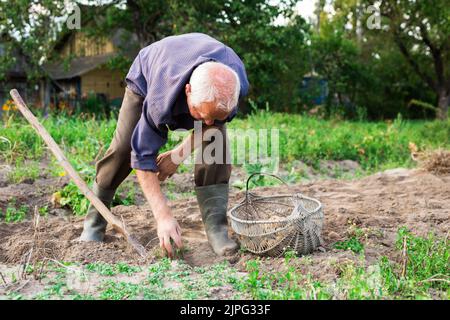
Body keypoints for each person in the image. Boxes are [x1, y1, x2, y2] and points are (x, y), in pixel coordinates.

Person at [79, 33, 249, 257]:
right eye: (200, 114)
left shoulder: (232, 85)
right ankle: (95, 221)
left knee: (216, 148)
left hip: (201, 78)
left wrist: (178, 155)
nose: (206, 123)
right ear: (188, 91)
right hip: (149, 74)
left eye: (214, 116)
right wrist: (163, 216)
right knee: (123, 149)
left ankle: (216, 228)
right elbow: (142, 156)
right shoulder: (161, 97)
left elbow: (214, 124)